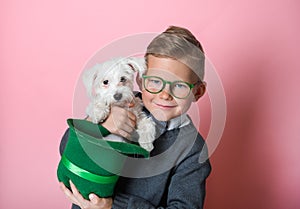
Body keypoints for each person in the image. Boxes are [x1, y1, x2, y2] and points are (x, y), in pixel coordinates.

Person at [59, 25, 211, 209]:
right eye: (155, 81)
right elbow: (66, 146)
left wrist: (111, 205)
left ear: (198, 92)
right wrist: (101, 124)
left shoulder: (192, 150)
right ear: (140, 80)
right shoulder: (120, 107)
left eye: (180, 86)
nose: (164, 95)